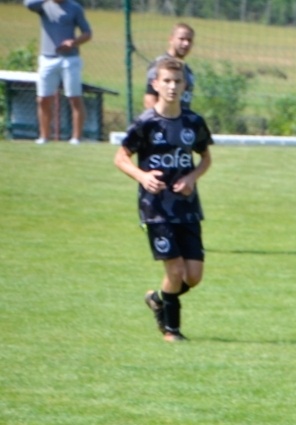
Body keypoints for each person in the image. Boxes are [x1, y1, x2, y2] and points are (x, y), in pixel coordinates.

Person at [114, 58, 212, 344]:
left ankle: (158, 299)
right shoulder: (145, 123)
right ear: (155, 84)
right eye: (166, 81)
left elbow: (205, 158)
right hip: (155, 208)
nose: (171, 86)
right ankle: (172, 330)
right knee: (175, 270)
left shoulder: (193, 122)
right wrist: (142, 176)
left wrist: (192, 177)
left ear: (185, 86)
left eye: (177, 82)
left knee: (193, 276)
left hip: (187, 208)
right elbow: (120, 157)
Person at [25, 0, 92, 144]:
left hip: (70, 59)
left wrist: (73, 42)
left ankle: (76, 138)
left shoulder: (74, 7)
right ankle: (44, 137)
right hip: (47, 58)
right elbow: (28, 4)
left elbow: (87, 33)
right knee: (43, 99)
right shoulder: (43, 5)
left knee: (74, 98)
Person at [144, 24, 196, 112]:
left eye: (189, 40)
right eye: (182, 39)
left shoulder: (187, 70)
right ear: (171, 39)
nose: (186, 43)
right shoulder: (160, 65)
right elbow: (150, 101)